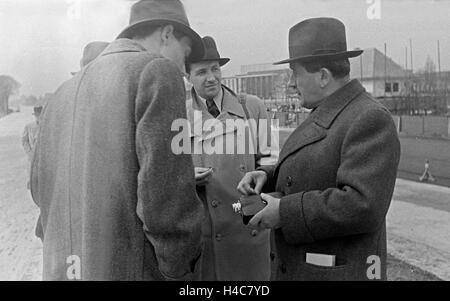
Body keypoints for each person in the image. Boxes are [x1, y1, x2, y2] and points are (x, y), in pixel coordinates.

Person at [31, 0, 205, 281]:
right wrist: (180, 268)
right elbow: (167, 199)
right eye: (184, 56)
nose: (185, 70)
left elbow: (39, 190)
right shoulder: (157, 72)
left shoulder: (59, 95)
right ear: (166, 34)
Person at [238, 18, 401, 281]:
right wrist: (267, 177)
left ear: (323, 76)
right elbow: (314, 167)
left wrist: (284, 213)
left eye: (296, 73)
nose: (292, 83)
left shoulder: (369, 118)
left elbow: (363, 205)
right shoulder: (332, 111)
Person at [185, 36, 278, 280]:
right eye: (202, 71)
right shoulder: (179, 115)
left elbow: (270, 162)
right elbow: (168, 172)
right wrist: (186, 178)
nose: (211, 77)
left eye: (215, 69)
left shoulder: (252, 107)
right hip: (208, 232)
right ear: (188, 77)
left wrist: (257, 193)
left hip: (246, 225)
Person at [22, 106, 42, 189]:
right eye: (37, 115)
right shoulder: (29, 126)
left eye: (40, 115)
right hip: (32, 156)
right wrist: (29, 152)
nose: (38, 117)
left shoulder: (47, 126)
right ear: (34, 115)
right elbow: (24, 141)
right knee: (32, 179)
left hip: (43, 156)